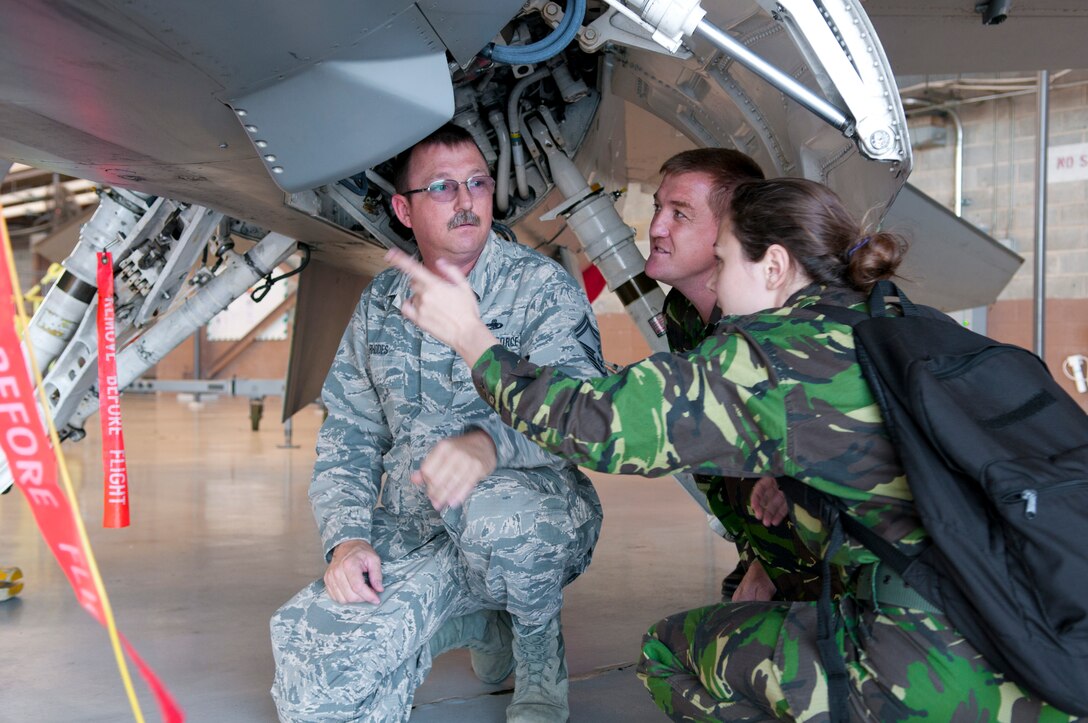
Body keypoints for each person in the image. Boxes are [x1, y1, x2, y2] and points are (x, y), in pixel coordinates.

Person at [386, 177, 1080, 720]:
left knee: (667, 652)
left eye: (722, 260)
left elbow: (596, 423)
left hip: (943, 666)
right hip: (1038, 636)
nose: (715, 281)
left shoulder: (778, 359)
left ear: (774, 265)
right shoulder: (892, 319)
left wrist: (472, 338)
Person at [270, 123, 606, 723]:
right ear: (404, 210)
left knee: (500, 517)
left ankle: (537, 654)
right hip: (415, 527)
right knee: (313, 686)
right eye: (443, 187)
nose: (466, 199)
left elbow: (584, 414)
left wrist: (489, 445)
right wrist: (347, 540)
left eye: (477, 183)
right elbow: (348, 435)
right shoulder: (381, 303)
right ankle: (483, 625)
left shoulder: (539, 287)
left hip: (527, 521)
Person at [646, 148, 825, 603]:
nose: (656, 227)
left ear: (731, 230)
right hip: (768, 547)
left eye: (679, 214)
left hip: (836, 570)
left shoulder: (788, 327)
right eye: (658, 208)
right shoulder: (683, 313)